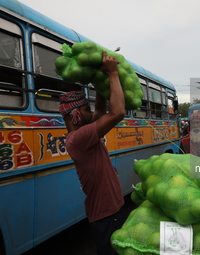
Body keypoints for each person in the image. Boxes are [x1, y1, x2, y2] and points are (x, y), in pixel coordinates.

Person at [59, 50, 127, 255]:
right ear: (77, 114)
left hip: (108, 213)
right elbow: (117, 113)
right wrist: (113, 74)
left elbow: (100, 112)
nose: (92, 114)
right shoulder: (79, 139)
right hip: (106, 216)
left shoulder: (81, 135)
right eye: (86, 110)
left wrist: (100, 79)